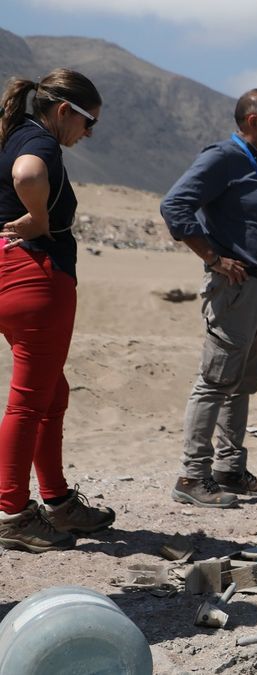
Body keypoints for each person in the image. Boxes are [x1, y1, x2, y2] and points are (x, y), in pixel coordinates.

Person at [0, 69, 115, 552]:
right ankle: (12, 512)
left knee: (51, 392)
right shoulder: (41, 143)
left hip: (9, 271)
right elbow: (27, 175)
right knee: (29, 400)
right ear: (65, 111)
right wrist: (40, 218)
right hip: (35, 277)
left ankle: (58, 501)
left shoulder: (14, 132)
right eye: (89, 122)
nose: (89, 133)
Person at [161, 89, 257, 507]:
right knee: (215, 381)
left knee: (240, 384)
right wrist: (213, 258)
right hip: (235, 288)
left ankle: (229, 468)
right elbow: (175, 206)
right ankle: (192, 476)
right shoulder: (223, 158)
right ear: (254, 121)